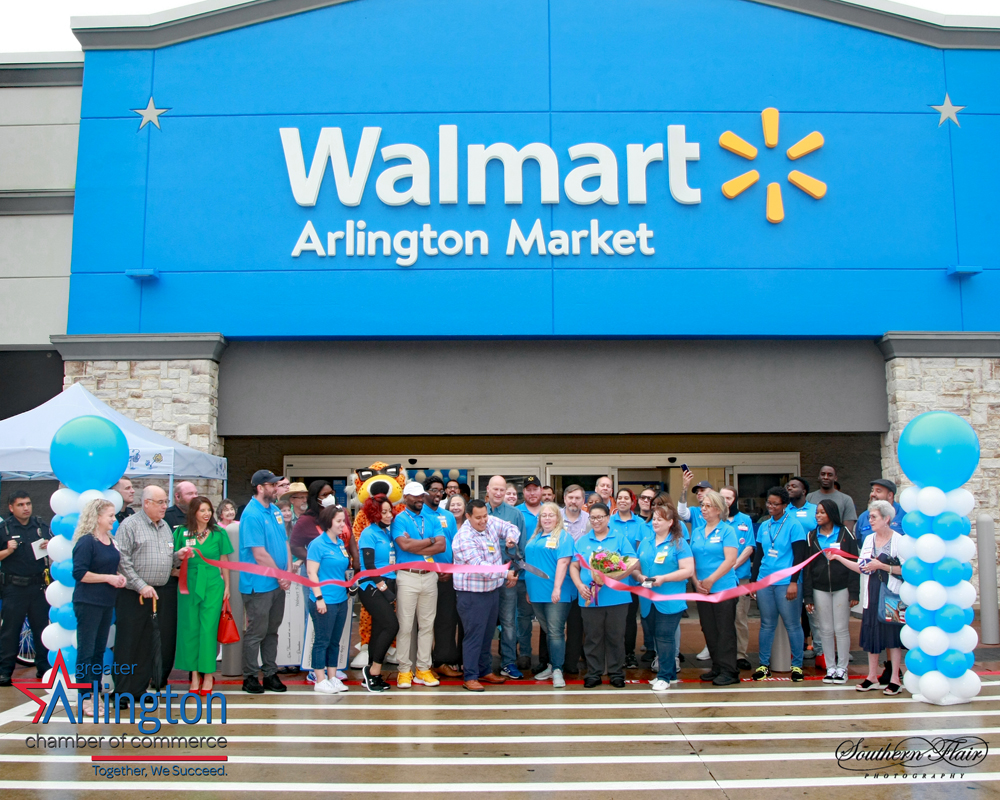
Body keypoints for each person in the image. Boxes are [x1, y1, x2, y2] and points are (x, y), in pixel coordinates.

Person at [114, 485, 191, 698]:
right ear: (146, 503)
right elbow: (122, 560)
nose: (165, 506)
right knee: (129, 644)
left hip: (159, 593)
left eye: (166, 502)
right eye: (160, 502)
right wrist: (141, 585)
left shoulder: (165, 526)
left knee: (150, 644)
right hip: (134, 594)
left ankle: (138, 689)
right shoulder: (130, 525)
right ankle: (122, 691)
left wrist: (179, 556)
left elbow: (165, 558)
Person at [833, 500, 904, 695]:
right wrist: (839, 558)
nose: (869, 520)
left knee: (893, 638)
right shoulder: (868, 540)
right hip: (871, 593)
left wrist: (882, 566)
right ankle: (872, 677)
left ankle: (895, 679)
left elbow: (906, 570)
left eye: (874, 517)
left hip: (892, 595)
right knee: (872, 634)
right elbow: (862, 567)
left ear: (886, 519)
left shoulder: (899, 540)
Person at [569, 503, 641, 688]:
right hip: (590, 597)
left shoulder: (619, 538)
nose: (596, 521)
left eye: (600, 517)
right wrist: (579, 585)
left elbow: (632, 562)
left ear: (608, 518)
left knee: (616, 636)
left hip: (617, 597)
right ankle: (594, 672)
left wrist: (613, 578)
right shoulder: (582, 541)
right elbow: (574, 566)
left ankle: (616, 673)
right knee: (593, 637)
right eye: (593, 518)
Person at [452, 499, 518, 692]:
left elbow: (510, 527)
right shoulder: (463, 537)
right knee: (474, 635)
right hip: (472, 594)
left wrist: (510, 538)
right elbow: (479, 566)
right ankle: (470, 676)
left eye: (485, 516)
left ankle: (484, 670)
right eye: (478, 518)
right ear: (468, 517)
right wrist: (505, 573)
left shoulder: (489, 523)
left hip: (491, 591)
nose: (483, 521)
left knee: (487, 634)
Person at [71, 499, 125, 717]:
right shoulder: (86, 542)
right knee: (86, 651)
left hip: (106, 602)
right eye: (110, 515)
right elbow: (80, 573)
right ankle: (85, 696)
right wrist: (108, 578)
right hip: (88, 602)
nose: (114, 519)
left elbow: (110, 568)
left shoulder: (110, 541)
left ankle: (94, 692)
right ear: (97, 517)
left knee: (98, 651)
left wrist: (117, 577)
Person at [173, 496, 232, 695]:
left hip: (213, 585)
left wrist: (227, 586)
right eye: (202, 510)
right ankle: (194, 675)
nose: (207, 514)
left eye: (209, 510)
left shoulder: (218, 533)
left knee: (208, 629)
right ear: (193, 513)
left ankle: (208, 674)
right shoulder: (181, 532)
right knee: (190, 629)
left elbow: (224, 560)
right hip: (188, 585)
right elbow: (173, 558)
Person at [239, 469, 291, 694]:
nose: (276, 488)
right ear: (261, 488)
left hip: (276, 582)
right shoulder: (252, 514)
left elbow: (285, 542)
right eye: (272, 485)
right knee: (256, 632)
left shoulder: (275, 511)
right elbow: (258, 553)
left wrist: (287, 571)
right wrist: (281, 574)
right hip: (259, 584)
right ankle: (250, 676)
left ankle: (270, 673)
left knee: (272, 630)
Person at [750, 487, 809, 682]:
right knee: (766, 624)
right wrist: (753, 581)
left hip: (786, 582)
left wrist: (794, 582)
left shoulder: (794, 525)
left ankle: (797, 666)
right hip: (766, 580)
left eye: (776, 504)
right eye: (769, 503)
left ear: (785, 505)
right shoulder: (764, 525)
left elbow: (799, 556)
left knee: (793, 624)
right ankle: (764, 665)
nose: (771, 507)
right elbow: (759, 556)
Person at [391, 481, 445, 689]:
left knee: (427, 626)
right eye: (414, 496)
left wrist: (419, 544)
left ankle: (423, 669)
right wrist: (430, 541)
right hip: (407, 576)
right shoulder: (399, 520)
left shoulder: (431, 518)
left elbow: (441, 546)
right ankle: (404, 670)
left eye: (421, 496)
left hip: (429, 575)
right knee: (405, 626)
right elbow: (403, 545)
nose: (419, 499)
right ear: (405, 498)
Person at [638, 504, 694, 692]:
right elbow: (637, 565)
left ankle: (664, 675)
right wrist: (639, 576)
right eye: (653, 518)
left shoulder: (679, 542)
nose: (655, 522)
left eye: (659, 519)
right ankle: (669, 674)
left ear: (670, 522)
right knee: (655, 635)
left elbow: (688, 570)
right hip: (648, 599)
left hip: (670, 598)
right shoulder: (646, 541)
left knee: (665, 636)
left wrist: (664, 578)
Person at [803, 500, 859, 684]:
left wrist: (854, 591)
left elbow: (854, 563)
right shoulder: (811, 536)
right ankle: (831, 668)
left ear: (831, 514)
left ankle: (842, 668)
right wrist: (808, 595)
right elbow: (808, 567)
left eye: (822, 512)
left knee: (841, 629)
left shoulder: (845, 533)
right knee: (824, 629)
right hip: (820, 588)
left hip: (842, 587)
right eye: (817, 512)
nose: (817, 515)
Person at [689, 490, 740, 686]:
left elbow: (731, 560)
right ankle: (718, 666)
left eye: (708, 506)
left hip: (723, 587)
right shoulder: (698, 531)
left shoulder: (727, 531)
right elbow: (691, 559)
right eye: (702, 505)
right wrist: (696, 581)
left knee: (724, 629)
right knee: (709, 628)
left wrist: (711, 580)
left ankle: (729, 670)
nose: (703, 509)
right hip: (702, 589)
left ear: (718, 510)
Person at [0, 491, 51, 685]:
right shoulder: (4, 529)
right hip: (14, 587)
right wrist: (8, 550)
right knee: (10, 631)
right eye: (20, 505)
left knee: (41, 629)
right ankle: (4, 670)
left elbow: (55, 547)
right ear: (11, 507)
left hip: (37, 585)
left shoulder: (40, 526)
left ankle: (44, 668)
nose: (26, 508)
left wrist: (50, 545)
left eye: (28, 503)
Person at [523, 502, 575, 687]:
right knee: (548, 631)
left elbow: (563, 563)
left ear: (558, 518)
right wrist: (529, 590)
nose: (546, 518)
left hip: (555, 593)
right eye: (543, 515)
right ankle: (552, 666)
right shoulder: (535, 536)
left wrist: (557, 588)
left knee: (555, 632)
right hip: (536, 593)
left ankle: (558, 670)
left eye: (550, 515)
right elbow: (530, 563)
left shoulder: (563, 536)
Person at [306, 505, 353, 694]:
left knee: (335, 641)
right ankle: (319, 678)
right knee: (322, 640)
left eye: (344, 521)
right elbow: (312, 572)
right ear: (328, 522)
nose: (343, 524)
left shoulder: (340, 543)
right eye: (339, 521)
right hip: (324, 599)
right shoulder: (317, 544)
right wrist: (319, 598)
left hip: (341, 599)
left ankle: (333, 677)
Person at [484, 475, 527, 679]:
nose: (499, 493)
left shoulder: (515, 514)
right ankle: (482, 663)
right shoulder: (479, 513)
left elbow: (522, 548)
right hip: (483, 579)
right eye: (496, 489)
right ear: (488, 490)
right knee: (483, 621)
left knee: (509, 622)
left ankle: (508, 662)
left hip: (508, 577)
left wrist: (516, 572)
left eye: (502, 489)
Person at [357, 495, 398, 693]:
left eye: (390, 511)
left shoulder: (388, 533)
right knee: (392, 626)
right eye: (384, 512)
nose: (389, 515)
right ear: (374, 513)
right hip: (371, 586)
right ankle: (373, 670)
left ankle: (371, 677)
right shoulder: (368, 533)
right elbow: (370, 565)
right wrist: (384, 588)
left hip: (388, 584)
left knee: (380, 628)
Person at [423, 476, 462, 679]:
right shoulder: (419, 514)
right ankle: (423, 663)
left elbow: (455, 544)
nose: (438, 494)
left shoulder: (447, 515)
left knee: (447, 620)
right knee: (425, 621)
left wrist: (452, 569)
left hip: (448, 577)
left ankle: (442, 661)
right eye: (434, 490)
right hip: (427, 575)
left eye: (441, 491)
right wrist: (434, 569)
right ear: (424, 492)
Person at [609, 488, 650, 669]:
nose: (623, 501)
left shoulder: (640, 523)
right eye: (620, 498)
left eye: (626, 498)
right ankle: (613, 654)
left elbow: (642, 552)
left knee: (630, 619)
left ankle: (629, 654)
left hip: (632, 580)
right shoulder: (609, 521)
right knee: (612, 619)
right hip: (612, 580)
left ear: (632, 501)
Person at [720, 486, 756, 671]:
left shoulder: (745, 520)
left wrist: (731, 566)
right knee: (720, 619)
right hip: (719, 579)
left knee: (740, 617)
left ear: (734, 500)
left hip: (739, 577)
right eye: (722, 497)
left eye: (728, 497)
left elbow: (749, 547)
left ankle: (740, 654)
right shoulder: (715, 521)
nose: (725, 501)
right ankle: (721, 654)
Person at [514, 476, 544, 672]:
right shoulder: (517, 512)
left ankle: (545, 656)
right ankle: (524, 653)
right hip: (523, 575)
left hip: (545, 575)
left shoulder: (549, 512)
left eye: (535, 489)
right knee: (523, 618)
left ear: (541, 491)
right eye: (528, 489)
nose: (532, 492)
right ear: (523, 492)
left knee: (547, 619)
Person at [560, 484, 589, 676]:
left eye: (578, 498)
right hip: (559, 580)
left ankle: (571, 662)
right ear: (564, 499)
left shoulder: (589, 519)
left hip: (581, 580)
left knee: (577, 625)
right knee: (553, 624)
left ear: (583, 501)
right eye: (570, 497)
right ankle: (550, 662)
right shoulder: (553, 517)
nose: (574, 501)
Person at [290, 480, 334, 561]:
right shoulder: (286, 517)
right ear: (292, 500)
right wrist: (313, 559)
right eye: (301, 497)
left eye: (306, 497)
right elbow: (294, 546)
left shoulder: (326, 513)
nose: (305, 500)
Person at [806, 466, 858, 532]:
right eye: (823, 474)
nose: (826, 477)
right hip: (814, 539)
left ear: (835, 478)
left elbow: (848, 529)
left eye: (830, 475)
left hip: (837, 540)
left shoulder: (846, 499)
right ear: (818, 477)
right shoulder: (809, 497)